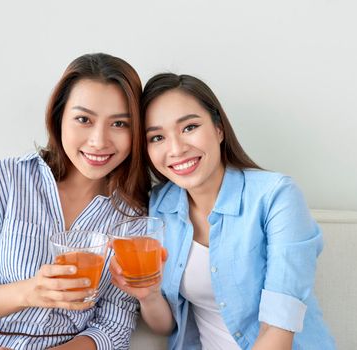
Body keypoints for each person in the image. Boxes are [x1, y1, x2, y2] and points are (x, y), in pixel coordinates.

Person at [0, 53, 150, 350]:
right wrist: (30, 292)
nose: (99, 141)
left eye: (119, 124)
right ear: (58, 117)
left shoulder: (134, 216)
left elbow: (114, 326)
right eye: (83, 119)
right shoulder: (2, 180)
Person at [110, 73, 336, 349]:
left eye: (189, 127)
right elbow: (167, 325)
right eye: (157, 137)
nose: (176, 149)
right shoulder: (161, 206)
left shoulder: (277, 196)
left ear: (218, 129)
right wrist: (148, 295)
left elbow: (279, 331)